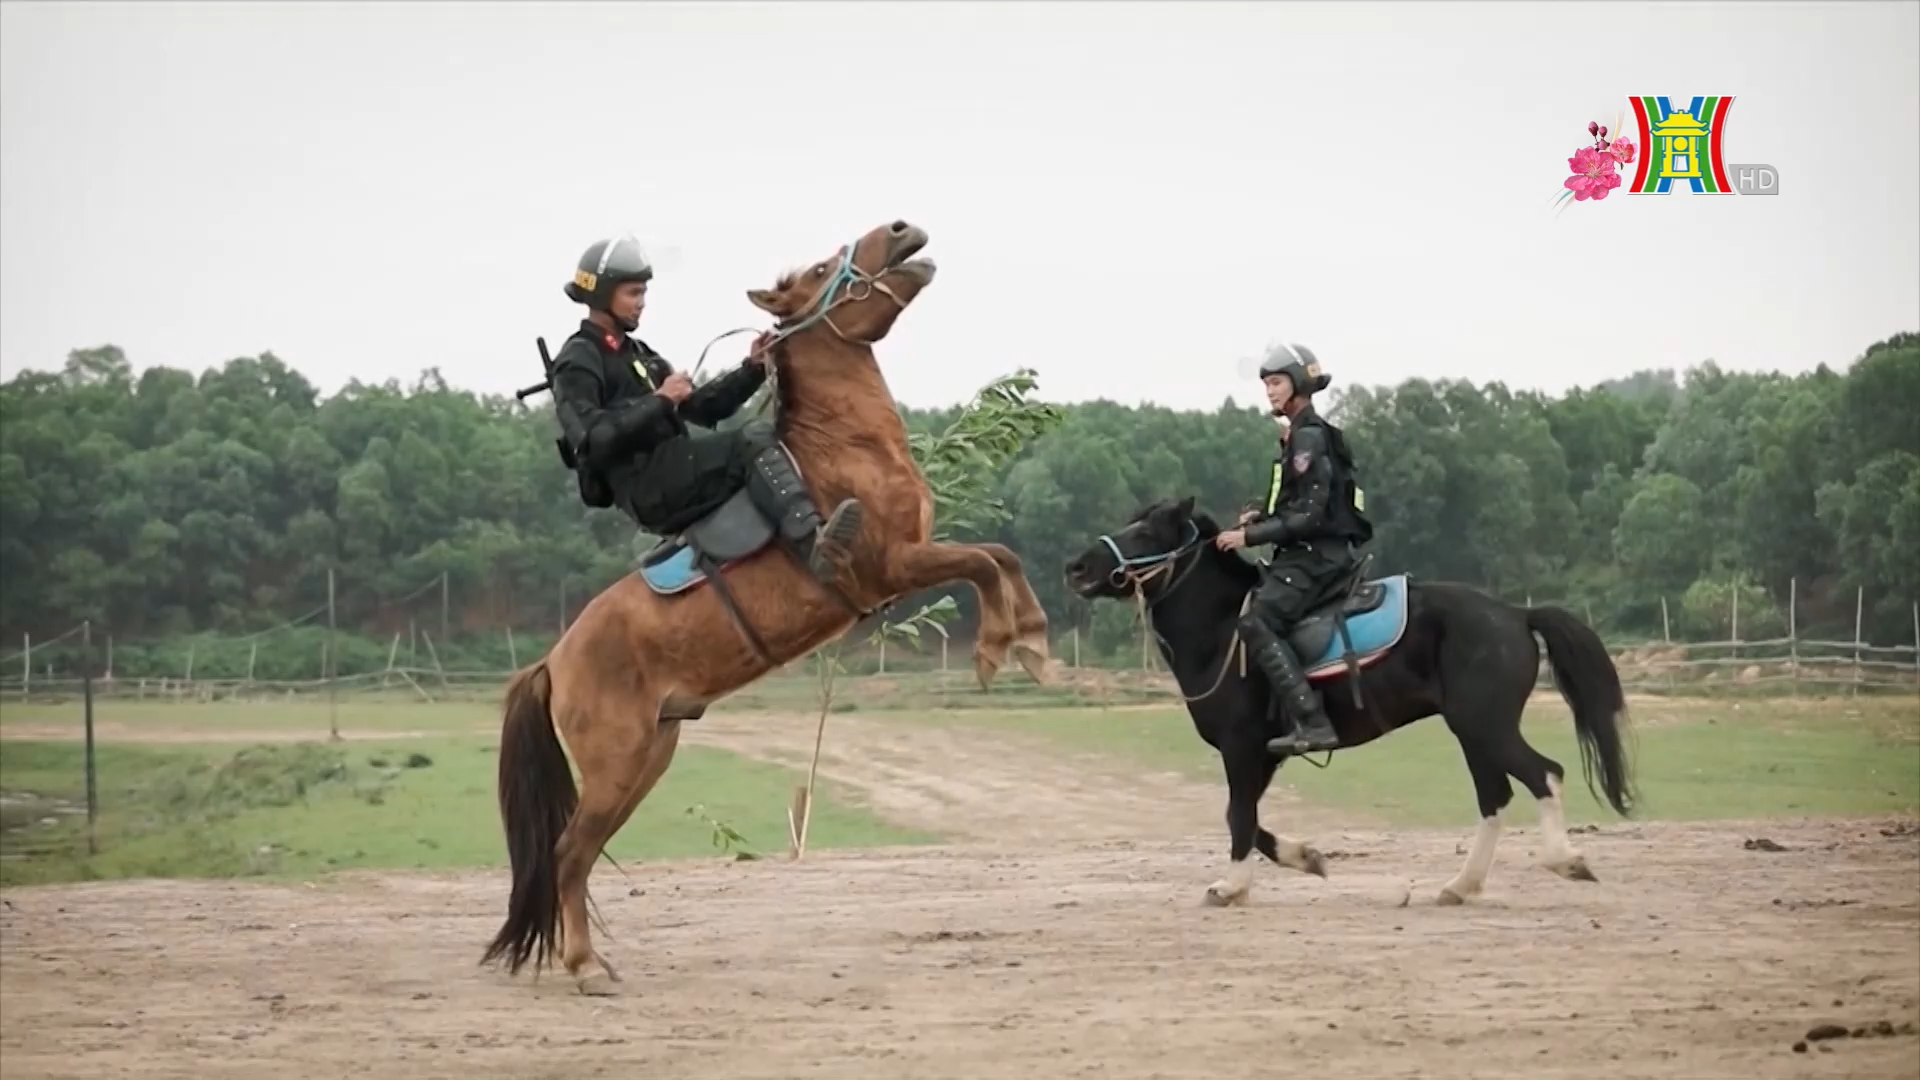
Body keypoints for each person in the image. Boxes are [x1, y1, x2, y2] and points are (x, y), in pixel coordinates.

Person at [547, 233, 864, 586]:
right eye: (633, 293)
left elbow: (706, 409)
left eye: (643, 293)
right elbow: (593, 440)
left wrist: (754, 367)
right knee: (751, 440)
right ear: (602, 296)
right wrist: (661, 400)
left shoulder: (639, 353)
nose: (642, 303)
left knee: (771, 441)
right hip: (649, 487)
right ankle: (813, 546)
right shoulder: (578, 359)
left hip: (675, 468)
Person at [1213, 344, 1374, 755]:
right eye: (1266, 383)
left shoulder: (1308, 437)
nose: (1269, 391)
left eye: (1277, 382)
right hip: (1307, 554)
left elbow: (1311, 517)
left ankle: (1313, 722)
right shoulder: (1299, 436)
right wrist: (1259, 519)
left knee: (1257, 623)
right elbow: (1293, 507)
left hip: (1316, 558)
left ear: (1299, 384)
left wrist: (1248, 538)